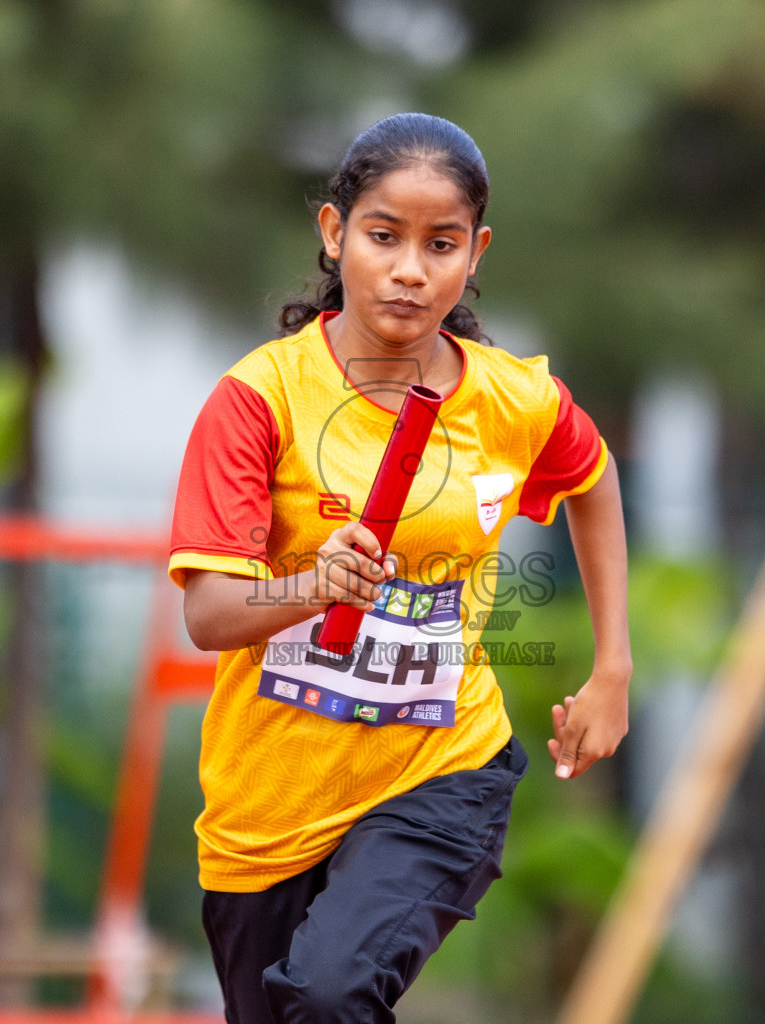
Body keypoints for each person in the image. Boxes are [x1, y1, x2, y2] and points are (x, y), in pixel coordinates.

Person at [168, 112, 631, 1024]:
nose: (411, 270)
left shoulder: (512, 398)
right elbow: (210, 615)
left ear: (476, 253)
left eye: (441, 244)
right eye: (384, 237)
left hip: (440, 772)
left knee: (334, 996)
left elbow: (594, 475)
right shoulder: (257, 401)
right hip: (270, 809)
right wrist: (313, 584)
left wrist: (612, 664)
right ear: (336, 235)